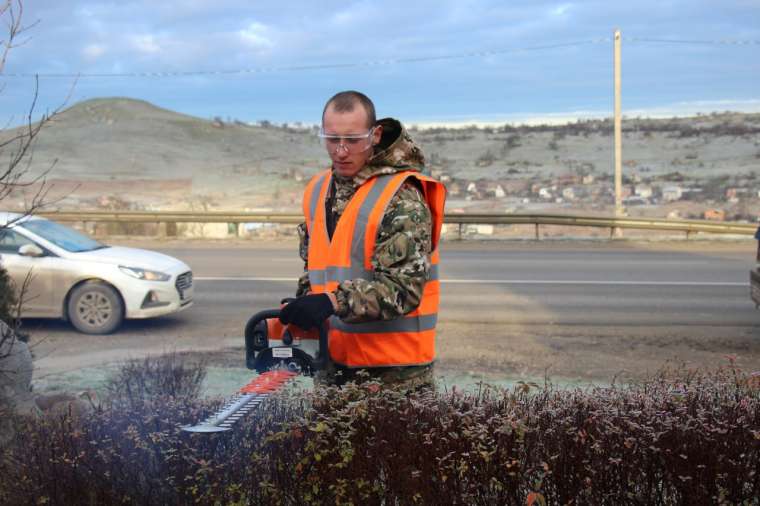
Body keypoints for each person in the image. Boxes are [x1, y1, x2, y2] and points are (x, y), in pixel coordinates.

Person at [279, 90, 446, 390]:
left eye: (353, 140)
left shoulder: (402, 198)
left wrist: (331, 301)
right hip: (333, 367)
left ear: (375, 135)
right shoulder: (319, 190)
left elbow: (403, 289)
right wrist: (305, 301)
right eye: (332, 139)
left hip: (395, 378)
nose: (341, 151)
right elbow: (321, 268)